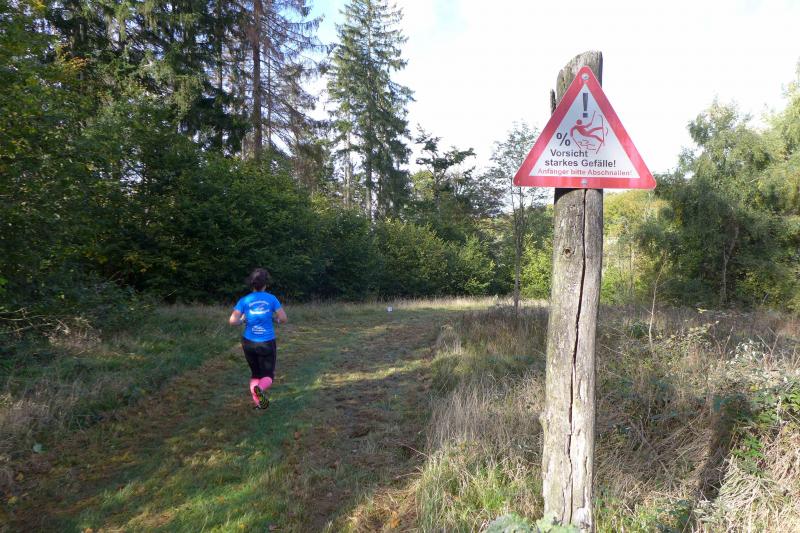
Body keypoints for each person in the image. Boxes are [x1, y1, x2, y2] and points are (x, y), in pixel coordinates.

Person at [229, 268, 287, 409]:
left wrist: (242, 320)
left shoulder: (245, 300)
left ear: (252, 284)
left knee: (255, 374)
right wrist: (275, 320)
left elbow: (232, 321)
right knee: (268, 375)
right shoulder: (271, 299)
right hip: (266, 342)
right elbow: (283, 319)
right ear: (266, 284)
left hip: (248, 342)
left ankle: (259, 404)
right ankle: (260, 389)